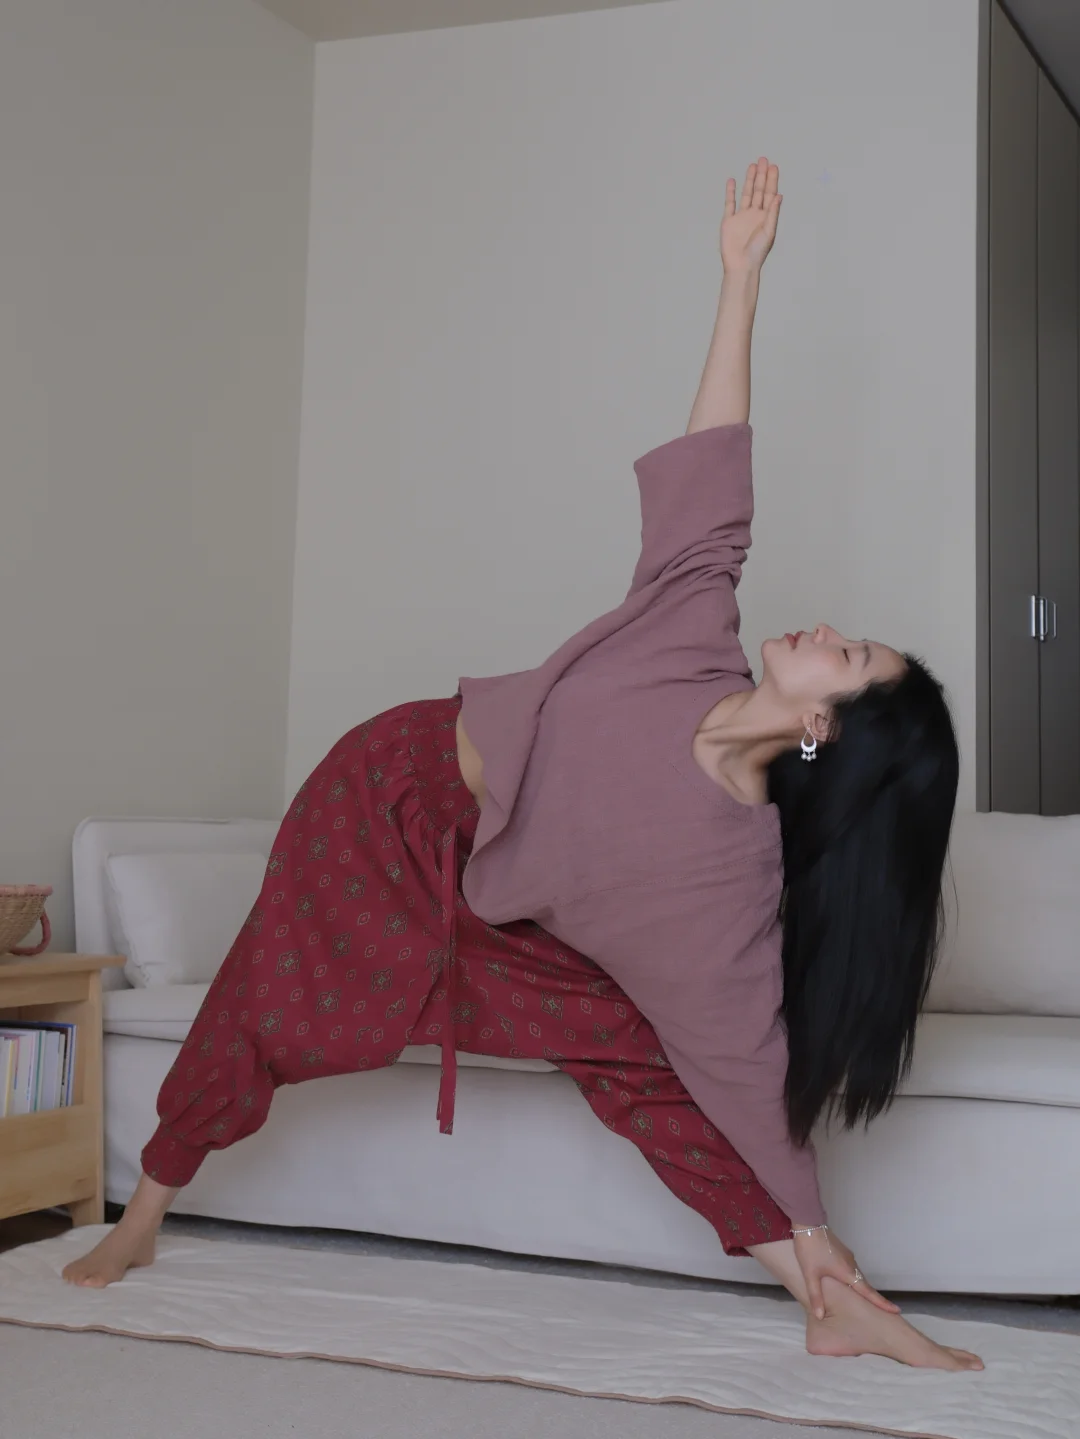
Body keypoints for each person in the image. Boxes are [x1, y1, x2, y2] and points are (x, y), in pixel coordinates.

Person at [62, 158, 982, 1373]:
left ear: (826, 728)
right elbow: (714, 476)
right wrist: (740, 281)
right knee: (266, 1003)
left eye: (846, 652)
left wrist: (819, 1230)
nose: (823, 627)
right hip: (384, 792)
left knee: (638, 1053)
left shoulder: (721, 880)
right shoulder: (690, 633)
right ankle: (139, 1217)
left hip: (485, 889)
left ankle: (826, 1296)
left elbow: (740, 1065)